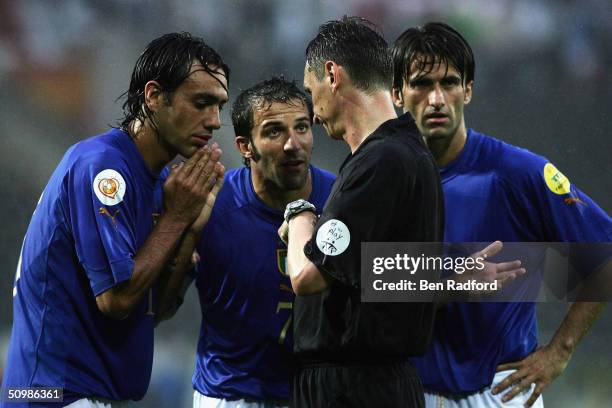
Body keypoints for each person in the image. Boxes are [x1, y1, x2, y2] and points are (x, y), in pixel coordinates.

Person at [1, 32, 228, 407]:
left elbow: (153, 310)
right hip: (51, 394)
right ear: (154, 96)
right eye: (201, 103)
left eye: (219, 105)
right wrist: (175, 218)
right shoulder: (103, 167)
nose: (215, 121)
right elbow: (116, 298)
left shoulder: (159, 183)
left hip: (85, 394)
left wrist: (189, 231)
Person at [391, 22, 611, 407]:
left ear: (469, 90)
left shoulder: (517, 172)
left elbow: (605, 253)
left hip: (499, 391)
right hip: (410, 392)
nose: (437, 98)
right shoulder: (382, 181)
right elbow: (370, 281)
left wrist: (560, 350)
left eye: (450, 82)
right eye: (422, 83)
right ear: (397, 94)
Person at [278, 17, 444, 407]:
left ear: (333, 74)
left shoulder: (382, 161)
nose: (314, 115)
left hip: (354, 388)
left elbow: (305, 276)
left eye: (311, 91)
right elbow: (390, 275)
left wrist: (300, 217)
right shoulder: (406, 156)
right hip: (373, 382)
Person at [187, 77, 335, 407]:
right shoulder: (211, 201)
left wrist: (465, 273)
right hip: (229, 394)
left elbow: (383, 276)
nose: (292, 144)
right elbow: (162, 306)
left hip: (313, 395)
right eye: (273, 132)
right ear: (244, 146)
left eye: (301, 128)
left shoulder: (340, 199)